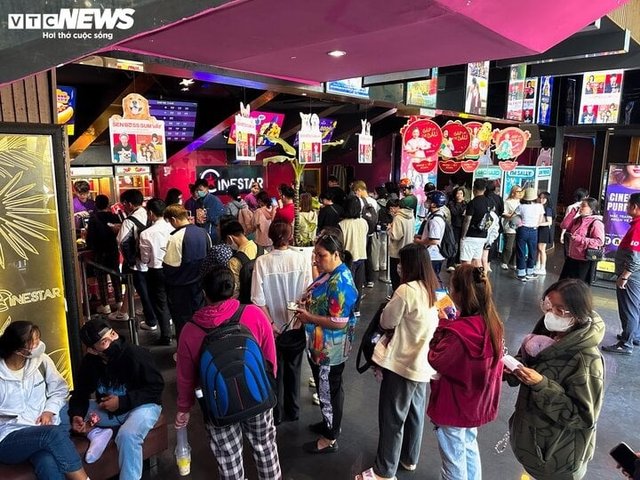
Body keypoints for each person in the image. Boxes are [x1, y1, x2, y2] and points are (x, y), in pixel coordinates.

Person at [175, 267, 281, 480]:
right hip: (257, 394)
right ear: (233, 289)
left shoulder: (190, 330)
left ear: (204, 293)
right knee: (265, 447)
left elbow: (186, 377)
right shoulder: (253, 314)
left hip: (218, 404)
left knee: (228, 457)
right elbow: (270, 357)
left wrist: (183, 408)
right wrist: (268, 384)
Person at [506, 279, 604, 480]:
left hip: (559, 456)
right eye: (548, 306)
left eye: (560, 310)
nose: (550, 314)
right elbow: (530, 359)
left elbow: (582, 416)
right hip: (535, 444)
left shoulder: (586, 360)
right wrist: (513, 367)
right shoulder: (547, 331)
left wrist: (541, 384)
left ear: (578, 313)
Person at [361, 244, 440, 480]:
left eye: (401, 263)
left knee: (392, 417)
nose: (398, 267)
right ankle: (409, 458)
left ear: (409, 265)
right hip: (423, 363)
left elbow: (387, 321)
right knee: (415, 413)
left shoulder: (406, 290)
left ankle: (384, 470)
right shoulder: (434, 289)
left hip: (401, 364)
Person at [428, 265, 504, 480]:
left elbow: (436, 359)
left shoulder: (457, 333)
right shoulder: (493, 322)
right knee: (469, 443)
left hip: (453, 402)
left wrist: (443, 324)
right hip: (477, 400)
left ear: (460, 293)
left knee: (453, 457)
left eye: (452, 288)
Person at [70, 316, 164, 480]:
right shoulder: (90, 363)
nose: (113, 341)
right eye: (104, 342)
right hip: (108, 410)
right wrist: (76, 414)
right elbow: (80, 393)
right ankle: (95, 432)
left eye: (112, 334)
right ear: (93, 350)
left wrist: (122, 401)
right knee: (62, 411)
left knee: (127, 435)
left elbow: (156, 387)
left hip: (143, 406)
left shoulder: (136, 354)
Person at [0, 321, 91, 480]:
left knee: (47, 461)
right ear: (18, 350)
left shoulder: (41, 361)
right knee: (52, 434)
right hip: (9, 437)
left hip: (41, 429)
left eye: (38, 339)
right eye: (34, 342)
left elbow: (60, 390)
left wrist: (49, 410)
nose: (39, 344)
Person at [295, 232, 358, 454]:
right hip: (321, 345)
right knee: (328, 390)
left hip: (330, 350)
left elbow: (339, 322)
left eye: (321, 255)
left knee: (328, 391)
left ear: (336, 254)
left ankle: (329, 437)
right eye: (315, 255)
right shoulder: (330, 274)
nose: (316, 260)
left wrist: (309, 317)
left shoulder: (340, 281)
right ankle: (328, 423)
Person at [251, 221, 312, 425]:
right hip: (296, 323)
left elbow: (257, 299)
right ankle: (293, 411)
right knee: (294, 368)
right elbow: (307, 294)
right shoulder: (301, 259)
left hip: (272, 328)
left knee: (274, 369)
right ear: (290, 237)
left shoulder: (262, 262)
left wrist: (270, 323)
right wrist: (299, 317)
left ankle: (276, 414)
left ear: (270, 237)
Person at [163, 204, 211, 340]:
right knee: (201, 320)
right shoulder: (203, 233)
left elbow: (169, 266)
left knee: (183, 323)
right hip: (200, 287)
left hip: (180, 289)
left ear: (173, 219)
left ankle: (185, 348)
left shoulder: (175, 237)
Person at [112, 189, 157, 325]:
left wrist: (130, 259)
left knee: (143, 292)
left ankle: (151, 321)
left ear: (129, 204)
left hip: (137, 262)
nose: (123, 206)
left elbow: (121, 241)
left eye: (124, 203)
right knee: (153, 290)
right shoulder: (149, 214)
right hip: (152, 259)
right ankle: (156, 315)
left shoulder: (129, 221)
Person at [603, 193, 640, 355]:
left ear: (635, 207)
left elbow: (635, 257)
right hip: (635, 275)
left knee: (629, 308)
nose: (626, 207)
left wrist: (625, 276)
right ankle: (634, 336)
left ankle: (626, 344)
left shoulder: (638, 227)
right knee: (635, 306)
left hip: (632, 276)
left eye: (628, 204)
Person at [138, 198, 174, 344]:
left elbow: (145, 258)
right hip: (173, 268)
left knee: (160, 304)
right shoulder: (172, 227)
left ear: (151, 213)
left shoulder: (146, 233)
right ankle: (178, 332)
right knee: (173, 301)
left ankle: (166, 336)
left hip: (156, 271)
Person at [86, 194, 122, 315]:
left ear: (96, 204)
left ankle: (105, 305)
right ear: (107, 204)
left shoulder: (93, 218)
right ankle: (119, 302)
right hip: (113, 249)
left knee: (101, 278)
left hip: (99, 251)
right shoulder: (114, 217)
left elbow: (90, 238)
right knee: (115, 275)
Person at [559, 197, 604, 285]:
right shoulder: (577, 220)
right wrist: (572, 213)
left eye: (583, 206)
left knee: (578, 285)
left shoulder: (596, 223)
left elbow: (599, 241)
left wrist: (579, 239)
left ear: (591, 209)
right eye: (580, 205)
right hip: (572, 256)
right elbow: (564, 225)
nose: (581, 208)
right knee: (563, 283)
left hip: (584, 259)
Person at [339, 196, 369, 316]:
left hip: (347, 259)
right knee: (358, 285)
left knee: (347, 286)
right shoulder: (364, 222)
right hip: (361, 256)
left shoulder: (341, 224)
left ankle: (347, 310)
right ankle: (356, 309)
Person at [222, 220, 261, 300]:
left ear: (229, 238)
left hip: (247, 301)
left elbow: (234, 292)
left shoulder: (234, 261)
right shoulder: (262, 250)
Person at [415, 190, 447, 286]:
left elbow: (434, 240)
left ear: (433, 204)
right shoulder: (435, 216)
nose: (426, 202)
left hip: (433, 255)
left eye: (428, 200)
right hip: (433, 254)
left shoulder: (435, 220)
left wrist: (419, 241)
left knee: (432, 280)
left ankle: (438, 294)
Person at [460, 179, 493, 267]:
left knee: (466, 262)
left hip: (471, 235)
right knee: (477, 261)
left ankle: (467, 276)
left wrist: (463, 235)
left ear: (474, 189)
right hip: (483, 235)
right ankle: (479, 276)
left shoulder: (472, 203)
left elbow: (467, 220)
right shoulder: (489, 202)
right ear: (484, 189)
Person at [353, 180, 379, 288]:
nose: (355, 193)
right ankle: (370, 279)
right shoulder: (374, 201)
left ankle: (361, 280)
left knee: (360, 255)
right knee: (368, 255)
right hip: (371, 232)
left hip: (361, 233)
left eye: (356, 191)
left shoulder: (359, 201)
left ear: (359, 190)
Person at [515, 188, 545, 282]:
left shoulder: (521, 206)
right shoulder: (540, 206)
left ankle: (521, 273)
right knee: (532, 251)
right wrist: (536, 224)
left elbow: (514, 217)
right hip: (534, 231)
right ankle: (530, 271)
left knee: (521, 251)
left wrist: (519, 224)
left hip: (522, 230)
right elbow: (541, 219)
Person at [387, 199, 415, 292]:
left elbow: (396, 236)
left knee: (395, 276)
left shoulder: (398, 218)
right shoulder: (411, 215)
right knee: (405, 275)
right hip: (409, 250)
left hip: (397, 252)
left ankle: (396, 295)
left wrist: (389, 229)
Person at [194, 178, 225, 243]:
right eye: (197, 190)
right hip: (201, 233)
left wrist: (207, 217)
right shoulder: (198, 202)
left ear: (207, 188)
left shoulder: (214, 200)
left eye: (201, 190)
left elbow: (220, 218)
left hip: (212, 234)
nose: (199, 192)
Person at [501, 185, 524, 270]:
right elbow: (503, 213)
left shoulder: (521, 202)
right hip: (510, 226)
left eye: (521, 191)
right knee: (509, 246)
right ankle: (504, 261)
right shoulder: (508, 202)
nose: (520, 193)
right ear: (513, 193)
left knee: (516, 246)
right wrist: (511, 215)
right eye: (518, 192)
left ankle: (512, 262)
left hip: (519, 226)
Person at [447, 187, 467, 270]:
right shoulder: (451, 203)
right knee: (453, 244)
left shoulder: (466, 204)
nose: (459, 195)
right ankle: (450, 263)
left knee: (461, 244)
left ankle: (458, 261)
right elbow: (454, 212)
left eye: (461, 193)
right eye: (458, 193)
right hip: (454, 226)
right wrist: (461, 209)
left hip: (463, 226)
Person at [535, 192, 554, 276]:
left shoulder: (548, 209)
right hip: (539, 229)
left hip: (544, 230)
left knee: (542, 249)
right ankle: (537, 265)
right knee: (538, 249)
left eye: (544, 198)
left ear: (547, 199)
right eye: (540, 197)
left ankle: (543, 268)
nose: (541, 199)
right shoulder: (539, 206)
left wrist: (539, 224)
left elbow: (549, 222)